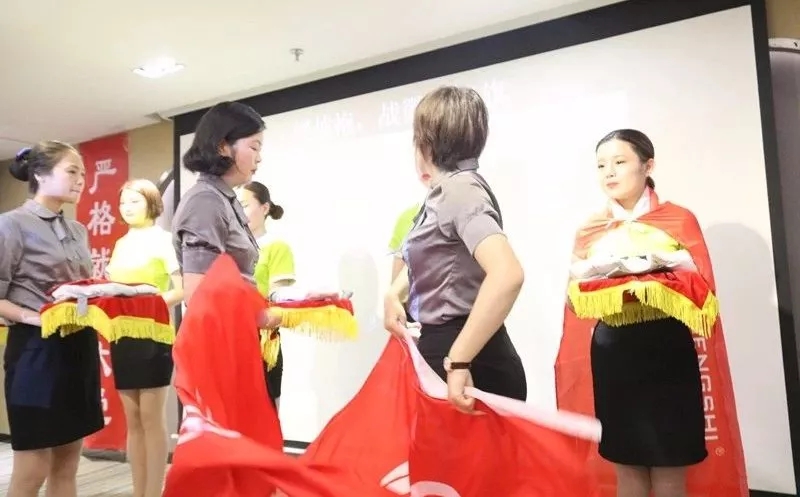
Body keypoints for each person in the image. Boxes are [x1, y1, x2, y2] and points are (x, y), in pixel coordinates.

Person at [563, 129, 711, 497]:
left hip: (666, 346)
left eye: (619, 162)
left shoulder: (678, 219)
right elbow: (573, 299)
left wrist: (656, 279)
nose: (609, 172)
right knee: (626, 464)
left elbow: (703, 287)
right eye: (601, 165)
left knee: (669, 465)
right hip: (614, 350)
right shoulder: (591, 229)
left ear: (648, 166)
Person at [383, 86, 527, 412]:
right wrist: (394, 293)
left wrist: (459, 361)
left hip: (464, 360)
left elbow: (507, 274)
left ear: (425, 140)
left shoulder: (460, 190)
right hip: (451, 351)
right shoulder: (449, 190)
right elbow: (441, 259)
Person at [0, 142, 103, 497]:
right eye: (72, 171)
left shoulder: (78, 230)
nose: (81, 180)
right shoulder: (10, 224)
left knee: (68, 463)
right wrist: (31, 316)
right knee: (32, 469)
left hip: (79, 346)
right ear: (40, 175)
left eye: (83, 173)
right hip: (36, 352)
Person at [172, 101, 282, 396]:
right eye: (254, 147)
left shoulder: (224, 198)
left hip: (235, 340)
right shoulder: (205, 201)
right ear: (223, 146)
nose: (259, 157)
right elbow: (200, 296)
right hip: (218, 349)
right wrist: (264, 316)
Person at [105, 178, 183, 497]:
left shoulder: (165, 240)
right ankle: (138, 491)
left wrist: (148, 303)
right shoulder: (120, 243)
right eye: (123, 202)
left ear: (152, 203)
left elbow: (181, 289)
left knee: (151, 417)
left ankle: (154, 491)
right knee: (132, 418)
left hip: (153, 333)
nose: (127, 207)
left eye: (134, 201)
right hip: (122, 333)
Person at [238, 180, 295, 410]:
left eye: (244, 205)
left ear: (264, 208)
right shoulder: (228, 248)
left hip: (262, 341)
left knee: (264, 411)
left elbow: (279, 298)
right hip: (230, 339)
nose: (238, 212)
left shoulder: (275, 246)